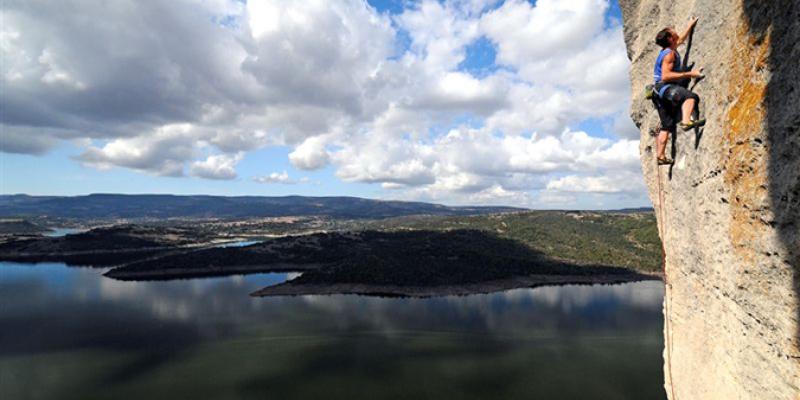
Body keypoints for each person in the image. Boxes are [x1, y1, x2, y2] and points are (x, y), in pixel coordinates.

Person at [652, 17, 705, 165]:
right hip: (664, 88)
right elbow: (666, 75)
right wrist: (690, 74)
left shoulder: (669, 49)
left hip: (658, 93)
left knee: (666, 126)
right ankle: (686, 121)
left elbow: (680, 39)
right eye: (672, 31)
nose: (675, 31)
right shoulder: (669, 54)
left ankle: (661, 157)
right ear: (669, 38)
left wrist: (690, 24)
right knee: (690, 97)